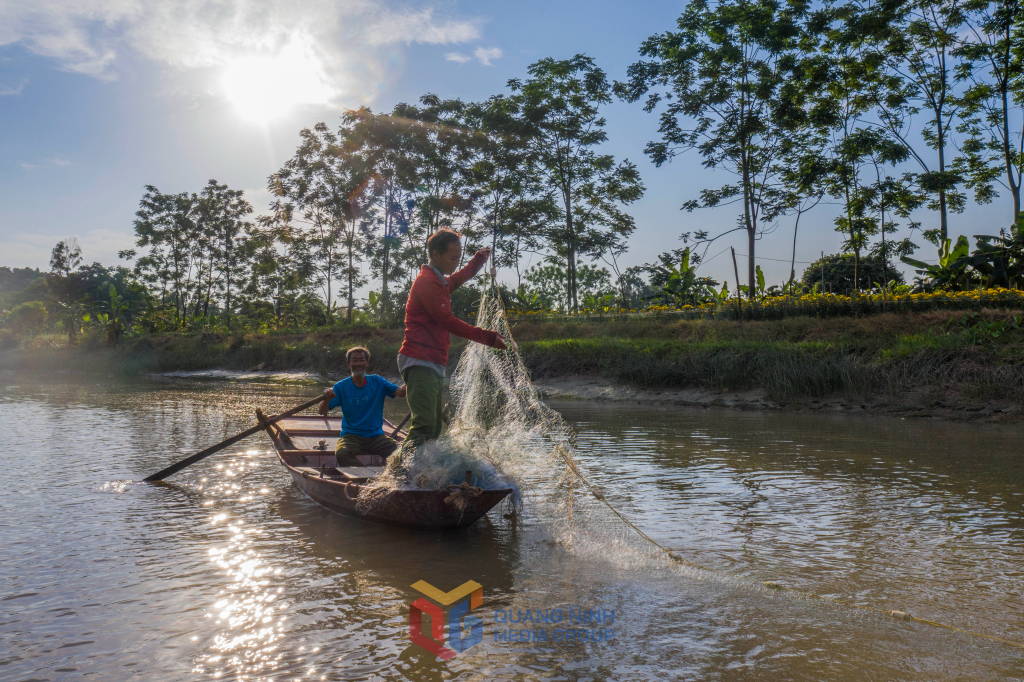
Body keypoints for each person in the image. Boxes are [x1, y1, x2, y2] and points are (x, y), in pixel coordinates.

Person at [398, 228, 508, 448]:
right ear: (436, 255)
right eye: (453, 258)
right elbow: (446, 321)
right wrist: (487, 337)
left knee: (434, 428)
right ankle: (399, 476)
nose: (457, 263)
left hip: (433, 361)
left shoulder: (438, 280)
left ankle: (420, 477)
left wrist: (477, 261)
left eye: (459, 257)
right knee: (424, 427)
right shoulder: (428, 282)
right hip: (419, 359)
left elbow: (457, 279)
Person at [319, 346, 407, 467]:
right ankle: (366, 476)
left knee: (404, 453)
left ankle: (392, 475)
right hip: (351, 436)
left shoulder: (377, 382)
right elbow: (321, 411)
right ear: (348, 364)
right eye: (355, 360)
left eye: (362, 360)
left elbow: (401, 392)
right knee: (342, 454)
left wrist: (415, 378)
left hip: (376, 437)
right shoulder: (341, 387)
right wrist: (326, 399)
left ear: (367, 363)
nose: (358, 363)